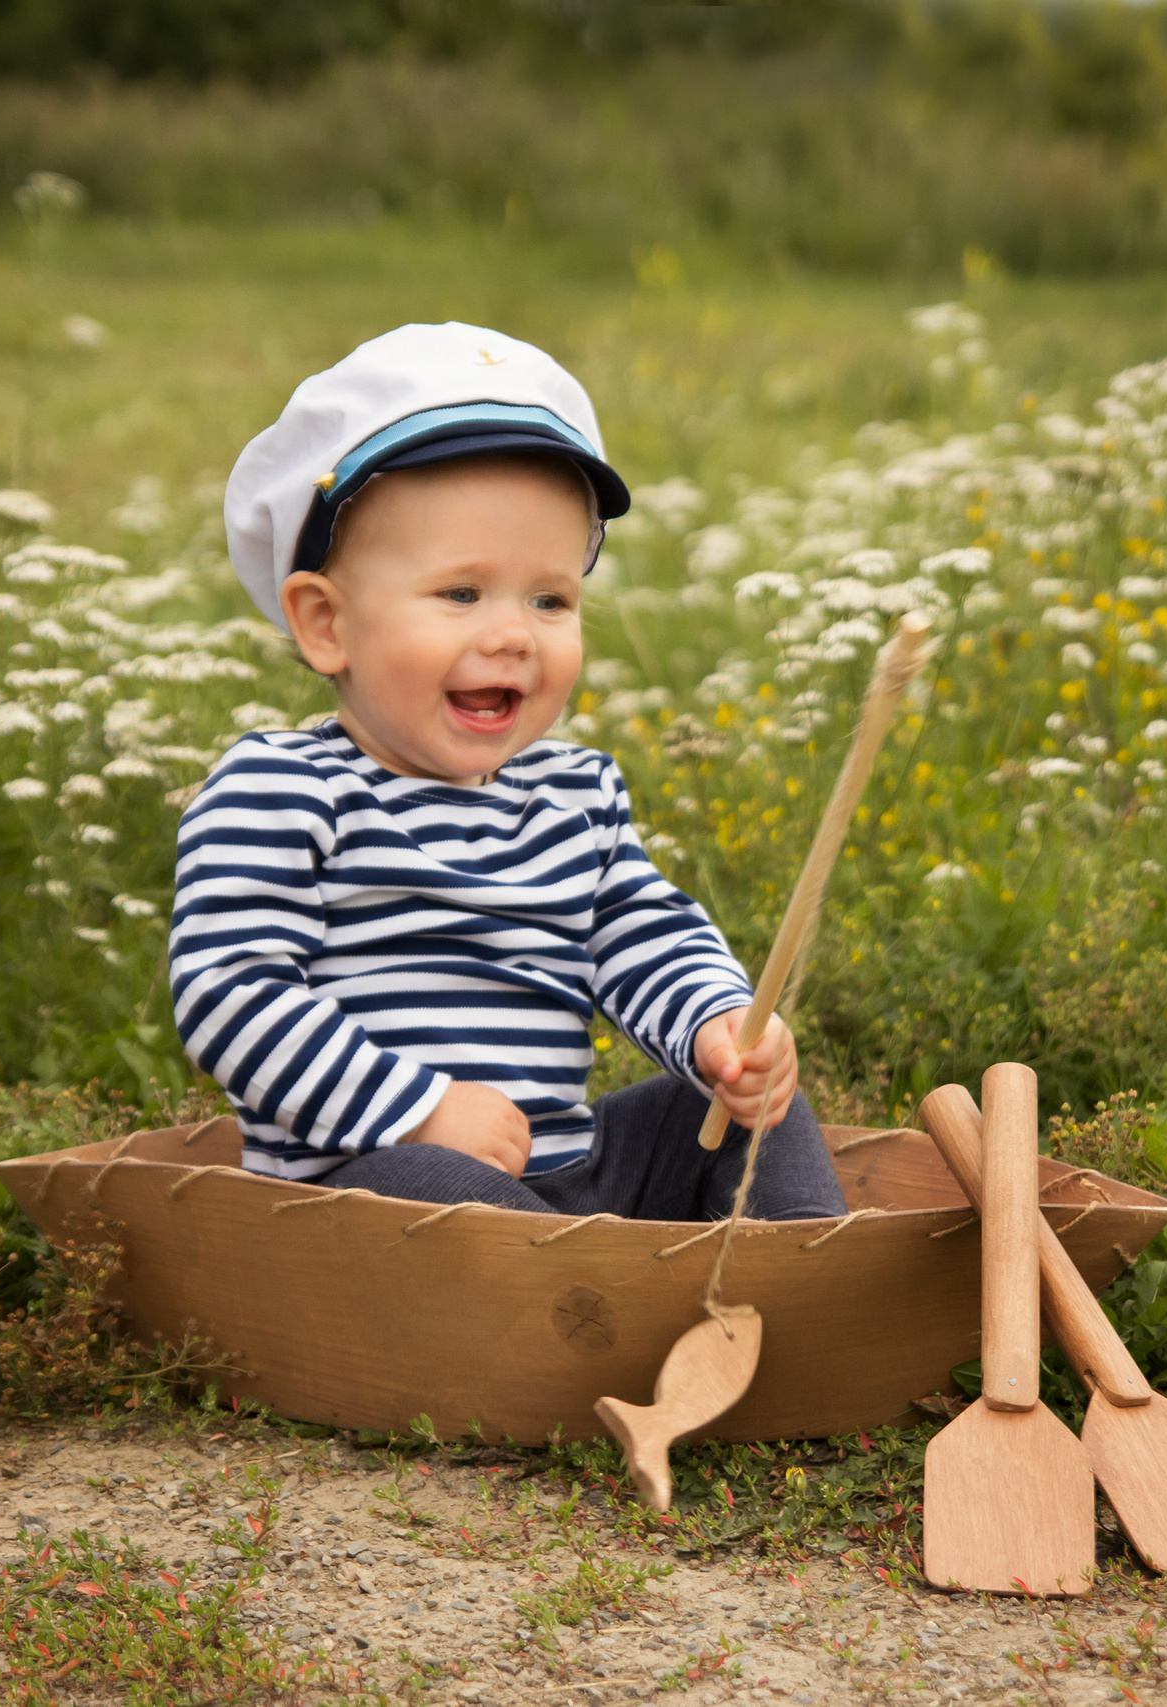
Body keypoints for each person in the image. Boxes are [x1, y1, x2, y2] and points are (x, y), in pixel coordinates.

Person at [170, 321, 847, 1224]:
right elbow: (231, 989)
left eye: (550, 598)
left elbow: (642, 931)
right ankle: (560, 1321)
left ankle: (802, 1291)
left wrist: (719, 1026)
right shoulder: (284, 788)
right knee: (444, 1196)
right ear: (326, 623)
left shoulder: (576, 795)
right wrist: (417, 1112)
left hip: (572, 1179)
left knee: (733, 1111)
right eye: (461, 593)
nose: (512, 633)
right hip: (366, 1185)